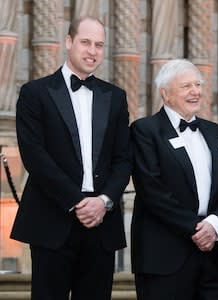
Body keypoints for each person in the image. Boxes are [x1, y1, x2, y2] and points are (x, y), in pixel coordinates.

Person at [11, 16, 131, 300]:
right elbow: (34, 156)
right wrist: (78, 202)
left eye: (99, 45)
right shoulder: (34, 93)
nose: (92, 51)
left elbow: (124, 159)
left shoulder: (115, 96)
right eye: (86, 42)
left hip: (102, 223)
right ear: (68, 42)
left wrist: (103, 202)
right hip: (53, 218)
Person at [130, 59, 218, 300]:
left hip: (213, 254)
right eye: (186, 86)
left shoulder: (213, 131)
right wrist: (197, 228)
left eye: (198, 84)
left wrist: (214, 225)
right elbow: (152, 190)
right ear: (165, 94)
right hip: (165, 256)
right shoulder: (144, 130)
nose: (195, 91)